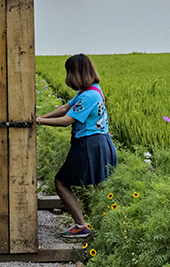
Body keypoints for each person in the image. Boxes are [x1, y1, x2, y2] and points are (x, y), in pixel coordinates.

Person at [35, 54, 117, 239]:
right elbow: (66, 107)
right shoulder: (92, 90)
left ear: (75, 74)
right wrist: (41, 117)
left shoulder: (88, 96)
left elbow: (67, 120)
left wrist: (39, 121)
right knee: (100, 186)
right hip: (99, 142)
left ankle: (81, 226)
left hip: (89, 144)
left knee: (61, 182)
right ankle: (107, 226)